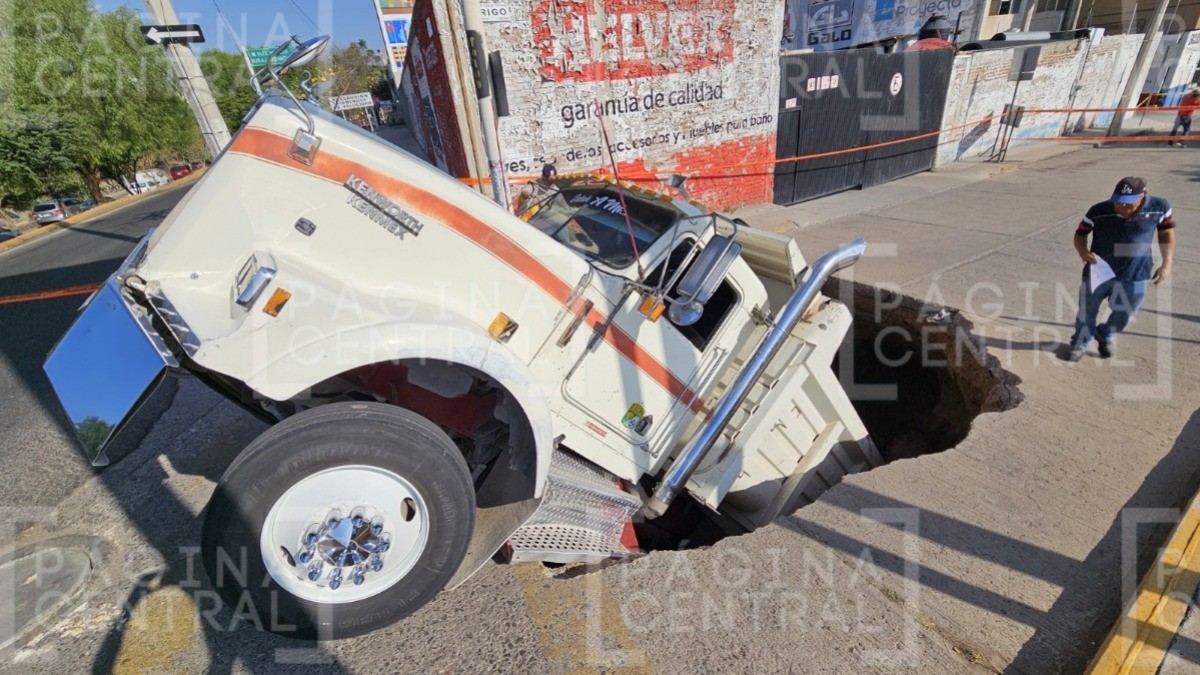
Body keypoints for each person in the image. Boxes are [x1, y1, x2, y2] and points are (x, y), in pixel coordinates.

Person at [1063, 176, 1176, 362]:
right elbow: (1080, 234)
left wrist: (1167, 263)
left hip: (1136, 273)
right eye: (1118, 202)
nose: (1121, 207)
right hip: (1098, 272)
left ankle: (1105, 334)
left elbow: (1166, 233)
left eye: (1128, 204)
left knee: (1126, 313)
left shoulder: (1160, 207)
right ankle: (1080, 343)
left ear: (1143, 196)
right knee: (1087, 310)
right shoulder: (1098, 210)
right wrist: (1083, 252)